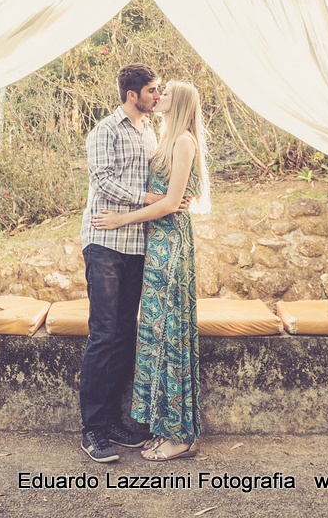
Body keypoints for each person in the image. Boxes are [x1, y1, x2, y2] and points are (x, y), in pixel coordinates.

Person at [92, 80, 210, 463]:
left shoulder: (183, 142)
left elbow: (171, 203)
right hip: (154, 245)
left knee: (171, 334)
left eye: (166, 94)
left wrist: (122, 218)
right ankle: (166, 428)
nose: (159, 97)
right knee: (158, 335)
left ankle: (181, 436)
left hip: (170, 244)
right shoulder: (161, 137)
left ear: (180, 103)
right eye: (155, 92)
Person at [78, 63, 163, 465]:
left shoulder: (151, 131)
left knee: (125, 333)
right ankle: (92, 429)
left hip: (136, 243)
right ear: (132, 95)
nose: (156, 96)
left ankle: (113, 421)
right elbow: (103, 179)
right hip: (105, 241)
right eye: (151, 91)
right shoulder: (105, 130)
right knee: (103, 333)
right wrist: (147, 199)